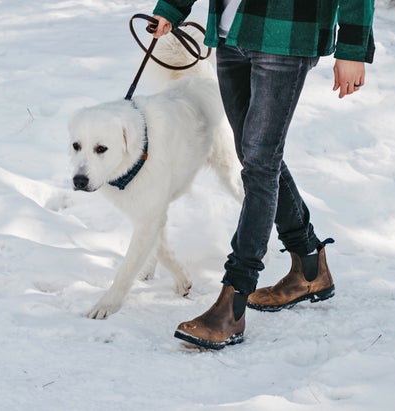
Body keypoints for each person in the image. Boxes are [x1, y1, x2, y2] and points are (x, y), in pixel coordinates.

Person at [149, 0, 375, 349]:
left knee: (259, 162)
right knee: (256, 159)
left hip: (285, 34)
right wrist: (173, 8)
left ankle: (233, 303)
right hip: (229, 32)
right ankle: (309, 267)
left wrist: (353, 49)